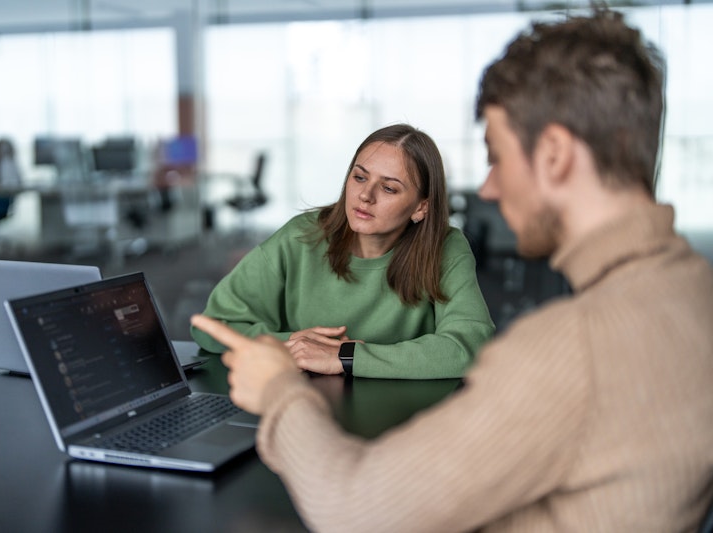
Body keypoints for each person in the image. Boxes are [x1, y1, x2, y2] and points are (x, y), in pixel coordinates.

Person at [191, 8, 713, 532]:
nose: (488, 188)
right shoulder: (695, 294)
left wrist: (281, 391)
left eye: (497, 155)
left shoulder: (571, 350)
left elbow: (359, 511)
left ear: (553, 155)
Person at [191, 124, 495, 379]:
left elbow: (470, 346)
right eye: (360, 177)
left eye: (388, 188)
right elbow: (212, 326)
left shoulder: (446, 247)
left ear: (421, 207)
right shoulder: (300, 237)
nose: (365, 195)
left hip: (407, 421)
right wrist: (294, 343)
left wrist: (345, 356)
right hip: (302, 403)